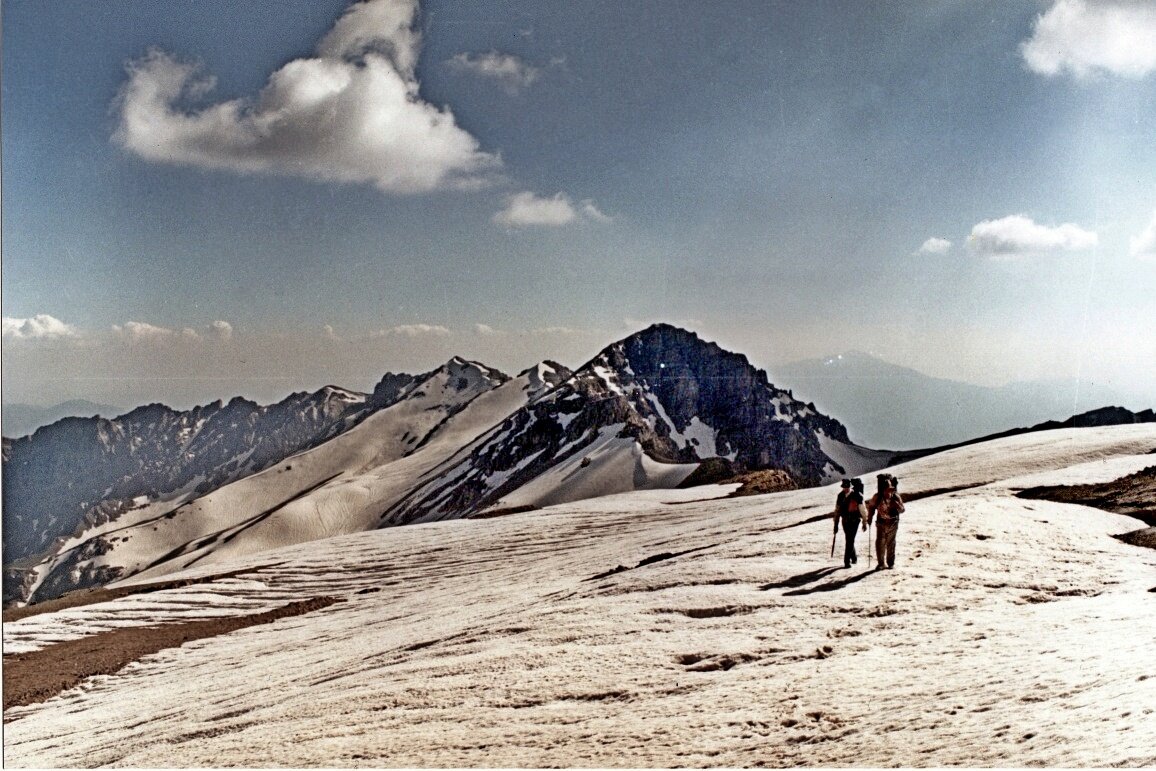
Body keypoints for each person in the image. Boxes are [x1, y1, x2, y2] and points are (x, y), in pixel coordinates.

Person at [867, 473, 905, 569]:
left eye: (889, 490)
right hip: (881, 523)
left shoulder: (895, 497)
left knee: (891, 543)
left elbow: (902, 510)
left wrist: (897, 506)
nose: (888, 492)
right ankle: (881, 563)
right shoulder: (877, 497)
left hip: (893, 523)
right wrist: (870, 517)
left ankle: (890, 563)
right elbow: (871, 507)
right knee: (880, 543)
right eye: (886, 490)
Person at [832, 478, 865, 568]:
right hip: (845, 521)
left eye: (847, 487)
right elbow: (837, 510)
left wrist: (865, 522)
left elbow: (862, 509)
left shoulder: (856, 495)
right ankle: (854, 557)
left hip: (855, 521)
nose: (846, 488)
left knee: (850, 539)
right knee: (849, 539)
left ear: (850, 487)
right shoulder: (840, 496)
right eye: (844, 487)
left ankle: (846, 561)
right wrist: (836, 524)